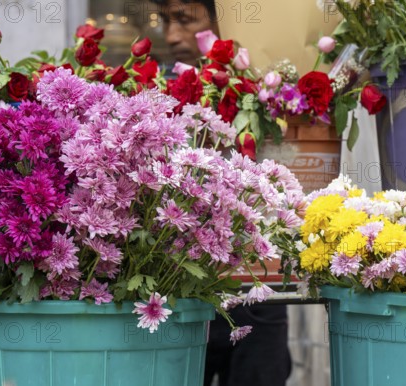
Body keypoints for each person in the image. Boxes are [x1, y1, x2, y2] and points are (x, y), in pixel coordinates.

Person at [150, 1, 292, 385]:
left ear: (220, 20)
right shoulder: (156, 94)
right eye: (166, 21)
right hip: (177, 288)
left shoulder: (260, 90)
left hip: (251, 286)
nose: (172, 35)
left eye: (185, 20)